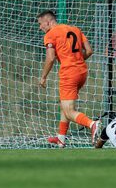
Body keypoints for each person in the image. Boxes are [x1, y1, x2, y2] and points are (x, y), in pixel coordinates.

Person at [37, 10, 99, 148]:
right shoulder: (75, 29)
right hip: (82, 71)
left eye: (40, 24)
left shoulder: (50, 35)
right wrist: (76, 61)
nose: (40, 27)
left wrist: (43, 77)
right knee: (64, 107)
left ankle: (92, 124)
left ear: (48, 21)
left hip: (69, 73)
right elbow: (89, 51)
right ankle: (61, 139)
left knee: (69, 111)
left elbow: (51, 58)